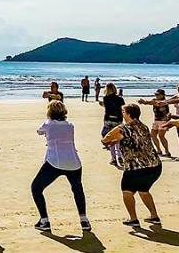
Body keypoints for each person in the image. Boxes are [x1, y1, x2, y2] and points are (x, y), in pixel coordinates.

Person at [31, 101, 90, 232]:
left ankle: (44, 220)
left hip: (55, 161)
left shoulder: (48, 124)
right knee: (77, 190)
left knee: (36, 188)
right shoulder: (70, 125)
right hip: (74, 161)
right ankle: (84, 219)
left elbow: (39, 131)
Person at [102, 103, 162, 227]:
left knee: (127, 192)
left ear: (128, 114)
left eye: (123, 112)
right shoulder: (143, 126)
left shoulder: (124, 128)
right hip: (154, 165)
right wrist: (118, 140)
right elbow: (134, 141)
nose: (122, 114)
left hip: (136, 167)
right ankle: (154, 215)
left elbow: (105, 139)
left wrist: (114, 136)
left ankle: (133, 219)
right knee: (143, 190)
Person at [138, 89, 172, 157]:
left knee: (161, 136)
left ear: (162, 95)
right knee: (153, 135)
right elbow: (150, 102)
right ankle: (159, 150)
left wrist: (145, 102)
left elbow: (154, 103)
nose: (156, 96)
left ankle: (167, 151)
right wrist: (144, 102)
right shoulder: (154, 100)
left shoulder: (164, 102)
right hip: (156, 120)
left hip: (163, 121)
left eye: (158, 95)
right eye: (156, 94)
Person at [99, 83, 124, 167]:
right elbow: (121, 109)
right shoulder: (120, 99)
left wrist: (102, 104)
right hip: (118, 119)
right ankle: (119, 155)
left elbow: (108, 107)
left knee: (109, 137)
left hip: (108, 119)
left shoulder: (105, 98)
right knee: (118, 138)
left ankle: (113, 158)